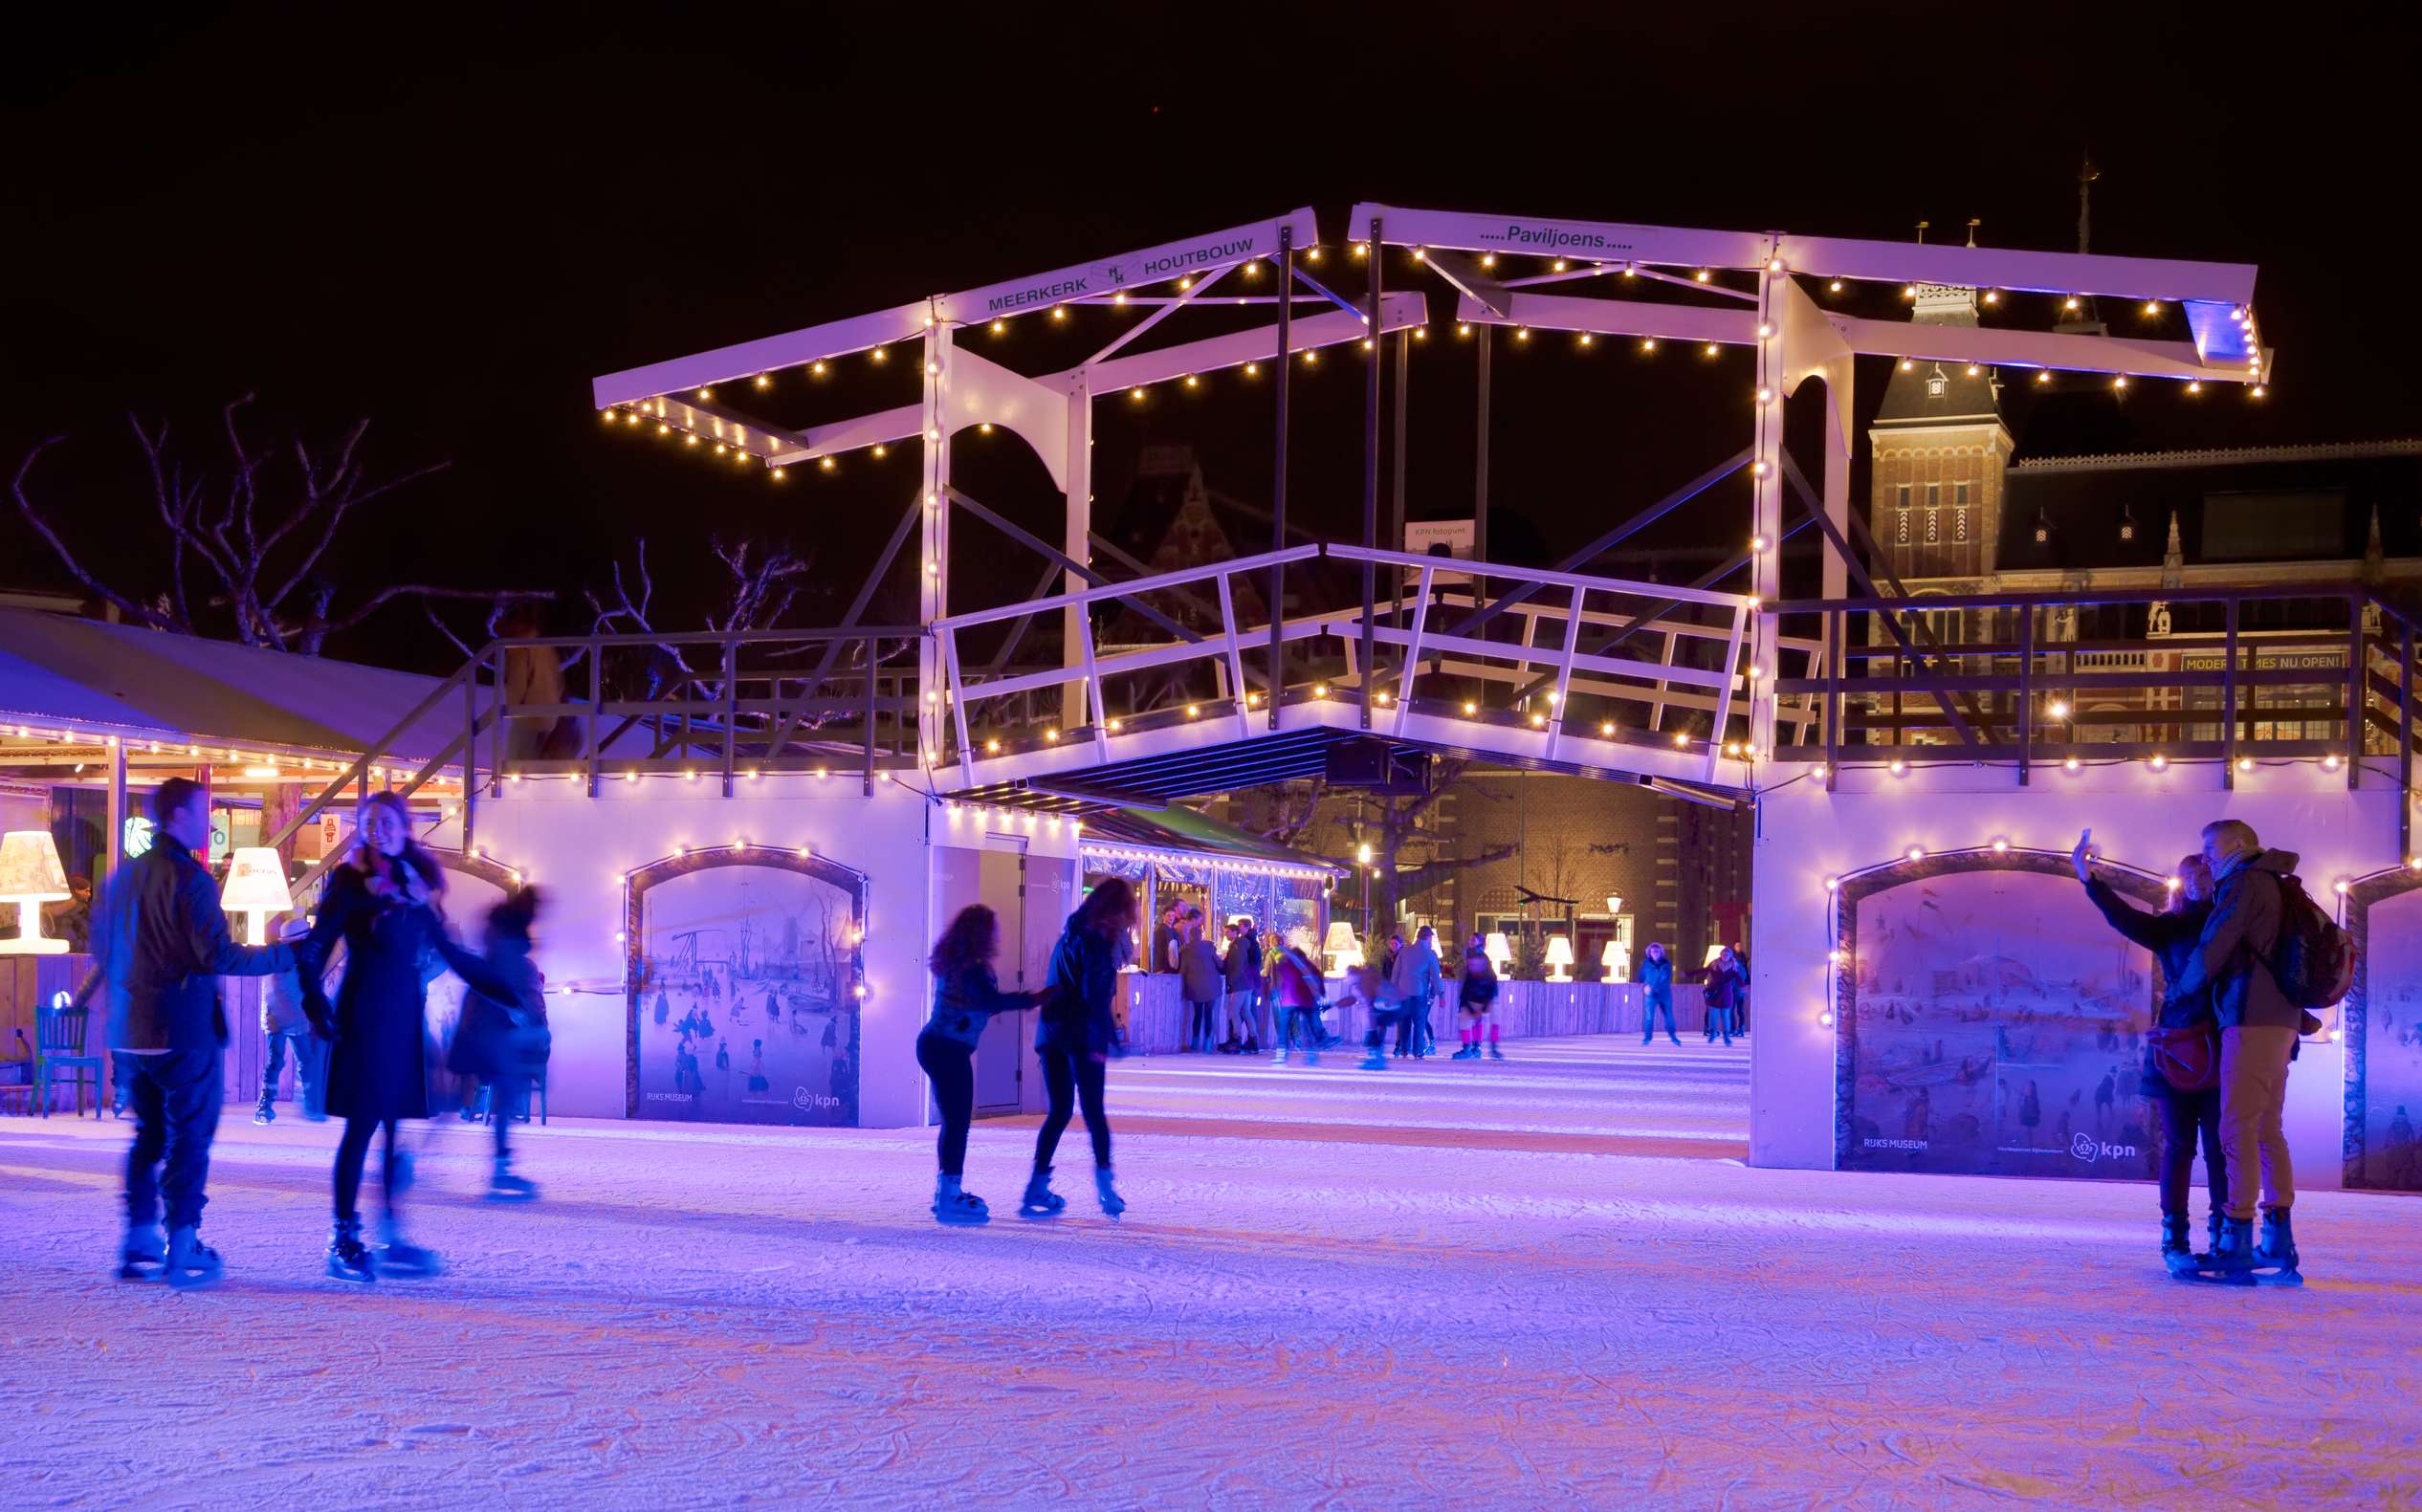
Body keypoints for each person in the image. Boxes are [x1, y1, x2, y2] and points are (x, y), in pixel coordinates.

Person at [86, 778, 303, 1283]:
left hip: (129, 1029)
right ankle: (182, 1240)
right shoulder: (191, 879)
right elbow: (217, 955)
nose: (209, 821)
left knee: (148, 1134)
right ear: (179, 814)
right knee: (190, 1135)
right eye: (204, 810)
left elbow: (103, 946)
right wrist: (287, 954)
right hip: (181, 1030)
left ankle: (140, 1236)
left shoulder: (123, 878)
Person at [296, 791, 510, 1283]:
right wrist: (313, 1000)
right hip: (364, 1016)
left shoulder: (417, 889)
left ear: (403, 826)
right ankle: (344, 1236)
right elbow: (315, 946)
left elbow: (452, 953)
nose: (377, 829)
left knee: (394, 1127)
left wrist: (504, 993)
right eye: (368, 822)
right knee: (362, 1127)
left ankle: (391, 1232)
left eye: (385, 821)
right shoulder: (350, 883)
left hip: (402, 1019)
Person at [2161, 819, 2311, 1277]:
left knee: (2236, 1129)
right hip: (2282, 1018)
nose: (2205, 855)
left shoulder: (2243, 883)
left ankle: (2239, 1243)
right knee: (2267, 1128)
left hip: (2249, 1017)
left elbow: (2215, 944)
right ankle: (2278, 1242)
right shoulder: (2277, 882)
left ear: (2239, 845)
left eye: (2210, 846)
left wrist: (2179, 993)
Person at [2074, 830, 2227, 1271]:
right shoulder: (2171, 927)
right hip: (2176, 1048)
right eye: (2189, 875)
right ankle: (2175, 1239)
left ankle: (2224, 1236)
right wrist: (2090, 879)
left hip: (2220, 1046)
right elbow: (2126, 919)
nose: (2197, 880)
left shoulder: (2234, 925)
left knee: (2219, 1148)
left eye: (2205, 872)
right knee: (2180, 1146)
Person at [919, 904, 1043, 1225]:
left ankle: (947, 1192)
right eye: (993, 929)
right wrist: (1033, 999)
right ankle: (949, 1196)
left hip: (939, 1045)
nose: (997, 936)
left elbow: (980, 1004)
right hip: (948, 1048)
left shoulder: (959, 963)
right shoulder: (972, 967)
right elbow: (989, 1001)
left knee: (954, 1122)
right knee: (958, 1123)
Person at [1028, 878, 1134, 1217]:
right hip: (1080, 1037)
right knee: (1093, 1114)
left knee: (1059, 1111)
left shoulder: (1070, 935)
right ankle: (1106, 1191)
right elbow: (1094, 996)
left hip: (1052, 1034)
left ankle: (1037, 1184)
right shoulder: (1097, 943)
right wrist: (1104, 1041)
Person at [446, 887, 551, 1202]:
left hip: (483, 1027)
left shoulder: (496, 947)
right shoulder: (515, 956)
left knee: (490, 1097)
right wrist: (531, 1022)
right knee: (504, 1098)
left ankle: (499, 1168)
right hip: (498, 1033)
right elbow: (521, 997)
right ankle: (500, 1169)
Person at [253, 931, 326, 1126]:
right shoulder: (296, 960)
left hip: (273, 1019)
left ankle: (264, 1107)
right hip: (293, 1019)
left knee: (274, 1062)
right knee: (306, 1061)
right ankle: (311, 1106)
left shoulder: (274, 958)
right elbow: (295, 992)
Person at [1333, 961, 1415, 1071]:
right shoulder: (1363, 980)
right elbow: (1354, 998)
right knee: (1378, 1024)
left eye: (1348, 976)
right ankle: (1377, 1056)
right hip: (1400, 1003)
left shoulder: (1364, 981)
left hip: (1397, 1004)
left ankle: (1376, 1057)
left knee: (1375, 1025)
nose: (1347, 980)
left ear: (1353, 975)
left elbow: (1368, 1005)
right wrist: (1334, 1004)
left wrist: (1371, 1033)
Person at [1266, 929, 1329, 1064]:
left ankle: (1282, 1055)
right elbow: (1317, 978)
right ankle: (1311, 1053)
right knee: (1307, 1026)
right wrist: (1320, 994)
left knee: (1283, 1026)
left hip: (1288, 1000)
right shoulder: (1307, 965)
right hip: (1305, 1000)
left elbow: (1272, 974)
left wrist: (1274, 990)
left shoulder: (1282, 961)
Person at [1390, 924, 1444, 1059]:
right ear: (1428, 938)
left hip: (1402, 993)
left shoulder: (1404, 951)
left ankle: (1404, 1050)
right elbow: (1436, 977)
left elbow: (1396, 973)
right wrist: (1441, 994)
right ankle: (1418, 1051)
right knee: (1419, 1023)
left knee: (1404, 1022)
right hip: (1419, 993)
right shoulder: (1430, 955)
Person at [1178, 921, 1224, 1053]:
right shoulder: (1210, 948)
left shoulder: (1186, 951)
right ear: (1201, 935)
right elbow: (1220, 965)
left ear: (1190, 936)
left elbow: (1183, 970)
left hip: (1195, 985)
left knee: (1198, 1014)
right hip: (1212, 985)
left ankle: (1195, 1042)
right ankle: (1208, 1043)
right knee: (1209, 1014)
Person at [1222, 917, 1264, 1056]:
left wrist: (1232, 980)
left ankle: (1236, 1039)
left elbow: (1236, 964)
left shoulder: (1240, 943)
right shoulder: (1250, 941)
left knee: (1234, 1011)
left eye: (1228, 932)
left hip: (1241, 982)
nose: (1226, 934)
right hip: (1249, 982)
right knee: (1246, 1011)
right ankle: (1253, 1040)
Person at [1454, 932, 1499, 1060]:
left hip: (1477, 993)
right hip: (1471, 992)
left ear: (1480, 942)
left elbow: (1488, 976)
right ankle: (1472, 1047)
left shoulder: (1480, 956)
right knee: (1469, 1020)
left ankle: (1473, 1048)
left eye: (1474, 940)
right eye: (1470, 939)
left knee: (1473, 1020)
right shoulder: (1469, 955)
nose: (1471, 942)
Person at [1690, 947, 1746, 1046]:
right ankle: (1712, 1034)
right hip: (1714, 994)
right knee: (1713, 1016)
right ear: (1720, 955)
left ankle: (1726, 1037)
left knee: (1726, 1017)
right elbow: (1703, 970)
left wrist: (1743, 987)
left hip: (1726, 995)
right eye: (1723, 954)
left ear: (1730, 956)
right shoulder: (1714, 964)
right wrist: (1689, 973)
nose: (1725, 956)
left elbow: (1740, 979)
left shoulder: (1733, 967)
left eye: (1727, 955)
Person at [1640, 942, 1682, 1046]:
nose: (1655, 953)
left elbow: (1665, 979)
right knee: (1649, 1017)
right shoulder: (1646, 964)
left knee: (1669, 1016)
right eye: (1653, 951)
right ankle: (1647, 1038)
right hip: (1650, 996)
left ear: (1661, 952)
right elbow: (1641, 976)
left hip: (1664, 994)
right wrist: (1644, 986)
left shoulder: (1666, 964)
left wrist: (1652, 987)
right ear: (1649, 952)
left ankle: (1673, 1037)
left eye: (1657, 951)